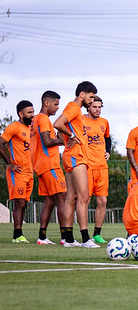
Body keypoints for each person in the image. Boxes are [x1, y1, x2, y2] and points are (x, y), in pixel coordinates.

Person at [53, 81, 100, 248]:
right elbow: (57, 124)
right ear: (82, 94)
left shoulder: (73, 109)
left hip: (71, 155)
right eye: (91, 96)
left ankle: (68, 238)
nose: (92, 100)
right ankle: (86, 238)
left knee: (71, 197)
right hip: (76, 156)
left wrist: (68, 136)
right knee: (83, 197)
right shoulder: (74, 107)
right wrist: (72, 136)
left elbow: (60, 127)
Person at [30, 91, 67, 245]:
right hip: (49, 165)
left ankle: (42, 237)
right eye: (55, 104)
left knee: (49, 201)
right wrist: (63, 140)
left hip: (39, 166)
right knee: (63, 197)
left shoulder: (35, 119)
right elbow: (46, 141)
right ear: (46, 102)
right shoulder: (44, 119)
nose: (57, 108)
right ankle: (66, 237)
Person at [0, 100, 35, 243]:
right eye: (29, 113)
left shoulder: (31, 128)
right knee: (19, 203)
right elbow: (0, 143)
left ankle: (19, 233)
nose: (33, 115)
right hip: (17, 172)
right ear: (21, 114)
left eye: (33, 112)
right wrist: (10, 164)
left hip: (29, 172)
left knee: (24, 203)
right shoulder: (13, 127)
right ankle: (17, 235)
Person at [83, 96, 112, 244]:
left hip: (102, 167)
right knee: (85, 200)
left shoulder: (104, 122)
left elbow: (108, 138)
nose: (97, 110)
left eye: (100, 107)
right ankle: (84, 233)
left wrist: (108, 151)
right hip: (87, 166)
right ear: (88, 107)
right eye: (94, 107)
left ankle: (97, 233)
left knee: (102, 201)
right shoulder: (81, 120)